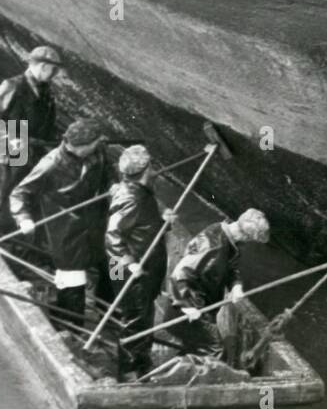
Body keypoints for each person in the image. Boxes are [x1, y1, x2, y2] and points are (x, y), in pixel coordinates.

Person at [9, 117, 122, 322]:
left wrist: (113, 185)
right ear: (81, 146)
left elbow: (108, 172)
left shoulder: (98, 151)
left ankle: (113, 313)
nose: (99, 145)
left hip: (98, 221)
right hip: (68, 230)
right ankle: (72, 324)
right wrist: (23, 218)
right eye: (95, 143)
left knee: (115, 266)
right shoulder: (50, 165)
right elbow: (19, 193)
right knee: (72, 280)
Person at [166, 209, 271, 368]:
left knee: (199, 348)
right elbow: (179, 274)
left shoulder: (223, 232)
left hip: (202, 309)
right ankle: (203, 388)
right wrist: (187, 307)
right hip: (185, 312)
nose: (247, 243)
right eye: (249, 240)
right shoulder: (211, 246)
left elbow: (231, 267)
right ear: (244, 235)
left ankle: (183, 370)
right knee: (215, 349)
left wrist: (236, 286)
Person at [104, 146, 174, 377]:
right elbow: (112, 236)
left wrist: (164, 221)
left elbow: (141, 226)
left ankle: (138, 363)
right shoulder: (133, 198)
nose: (154, 171)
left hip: (123, 268)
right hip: (133, 271)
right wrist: (130, 263)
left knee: (132, 313)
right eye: (152, 167)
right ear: (145, 170)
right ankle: (131, 372)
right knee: (136, 320)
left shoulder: (135, 191)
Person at [0, 45, 61, 234]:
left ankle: (19, 234)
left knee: (27, 193)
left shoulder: (46, 91)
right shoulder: (13, 86)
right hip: (11, 151)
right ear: (41, 66)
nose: (54, 74)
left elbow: (48, 123)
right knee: (4, 193)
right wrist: (10, 136)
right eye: (53, 69)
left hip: (34, 152)